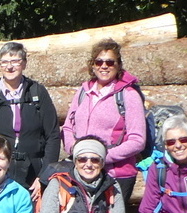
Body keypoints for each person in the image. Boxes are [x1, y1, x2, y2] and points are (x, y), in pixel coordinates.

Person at [61, 38, 146, 203]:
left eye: (110, 62)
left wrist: (100, 157)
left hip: (115, 175)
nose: (104, 66)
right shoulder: (83, 92)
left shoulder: (129, 95)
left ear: (118, 65)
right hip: (82, 172)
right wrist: (77, 152)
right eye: (99, 62)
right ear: (92, 65)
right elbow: (68, 127)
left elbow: (138, 140)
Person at [0, 42, 60, 201]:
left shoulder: (37, 93)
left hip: (33, 172)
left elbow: (53, 135)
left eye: (15, 61)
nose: (9, 67)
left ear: (24, 64)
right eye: (4, 62)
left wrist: (44, 177)